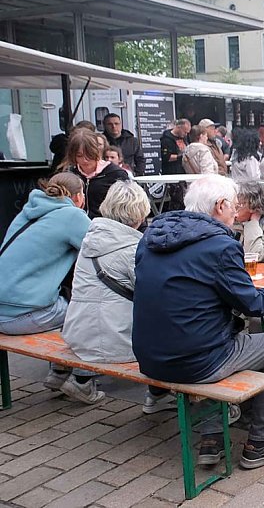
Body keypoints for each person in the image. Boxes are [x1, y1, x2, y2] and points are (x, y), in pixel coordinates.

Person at [133, 175, 264, 469]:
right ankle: (262, 442)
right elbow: (256, 304)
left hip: (149, 356)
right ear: (220, 206)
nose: (237, 213)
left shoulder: (152, 236)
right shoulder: (219, 245)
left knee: (210, 331)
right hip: (194, 361)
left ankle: (214, 431)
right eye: (234, 206)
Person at [60, 181, 179, 412]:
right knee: (169, 324)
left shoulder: (91, 238)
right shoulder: (132, 249)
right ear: (140, 213)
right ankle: (159, 395)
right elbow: (157, 295)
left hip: (77, 333)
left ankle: (81, 379)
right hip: (114, 343)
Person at [0, 173, 99, 403]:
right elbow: (100, 248)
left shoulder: (28, 211)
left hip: (3, 308)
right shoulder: (71, 215)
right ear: (78, 197)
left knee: (64, 302)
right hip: (20, 316)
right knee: (88, 312)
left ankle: (58, 373)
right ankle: (82, 381)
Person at [65, 129, 129, 218]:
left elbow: (129, 205)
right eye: (79, 156)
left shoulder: (116, 174)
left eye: (89, 155)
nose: (84, 160)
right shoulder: (69, 174)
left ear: (97, 151)